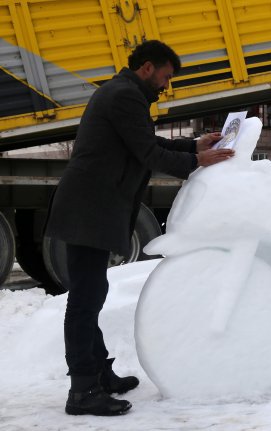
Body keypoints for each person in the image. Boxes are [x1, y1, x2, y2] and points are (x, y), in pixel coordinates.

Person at [45, 40, 234, 416]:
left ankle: (97, 373)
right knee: (84, 301)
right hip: (89, 209)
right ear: (147, 68)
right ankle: (82, 391)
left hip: (91, 208)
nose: (166, 85)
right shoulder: (124, 97)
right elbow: (148, 153)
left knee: (90, 294)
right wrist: (197, 160)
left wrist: (193, 144)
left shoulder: (122, 93)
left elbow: (145, 142)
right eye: (165, 77)